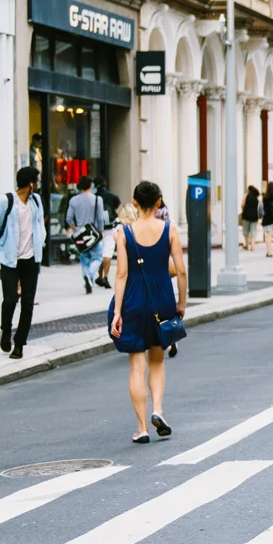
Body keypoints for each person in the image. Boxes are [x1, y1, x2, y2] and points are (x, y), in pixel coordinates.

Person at [108, 181, 187, 444]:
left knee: (136, 366)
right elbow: (181, 270)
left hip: (133, 300)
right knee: (157, 361)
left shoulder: (123, 233)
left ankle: (142, 428)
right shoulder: (170, 230)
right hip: (162, 299)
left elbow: (121, 273)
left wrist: (118, 311)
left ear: (135, 201)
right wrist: (182, 303)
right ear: (159, 202)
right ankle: (158, 410)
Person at [0, 166, 45, 360]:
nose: (38, 184)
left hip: (31, 260)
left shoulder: (36, 201)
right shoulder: (6, 201)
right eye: (36, 181)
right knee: (10, 299)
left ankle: (19, 344)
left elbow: (40, 227)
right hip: (10, 259)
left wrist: (40, 246)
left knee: (27, 304)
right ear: (30, 183)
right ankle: (6, 330)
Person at [64, 175, 108, 294]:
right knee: (98, 257)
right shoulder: (97, 199)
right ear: (91, 185)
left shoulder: (73, 200)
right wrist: (101, 232)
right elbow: (100, 218)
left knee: (84, 259)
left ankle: (87, 281)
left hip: (80, 233)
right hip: (93, 233)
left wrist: (76, 229)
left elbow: (68, 218)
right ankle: (90, 275)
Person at [93, 176, 121, 289]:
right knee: (107, 253)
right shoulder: (113, 197)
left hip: (97, 229)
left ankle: (99, 277)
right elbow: (119, 210)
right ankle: (105, 277)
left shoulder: (94, 198)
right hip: (110, 228)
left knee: (99, 253)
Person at [241, 185, 261, 251]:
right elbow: (259, 207)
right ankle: (252, 246)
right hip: (254, 216)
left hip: (246, 215)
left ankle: (247, 245)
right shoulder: (257, 197)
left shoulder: (246, 195)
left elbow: (242, 205)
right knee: (253, 231)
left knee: (246, 231)